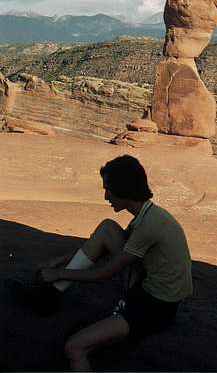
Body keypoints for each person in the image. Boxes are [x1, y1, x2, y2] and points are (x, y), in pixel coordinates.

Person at [6, 154, 192, 372]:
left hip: (154, 307)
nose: (105, 196)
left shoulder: (149, 226)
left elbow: (106, 272)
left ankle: (53, 290)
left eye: (108, 189)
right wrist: (60, 260)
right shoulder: (148, 214)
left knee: (75, 347)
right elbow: (106, 248)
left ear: (123, 189)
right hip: (146, 285)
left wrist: (59, 273)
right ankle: (50, 296)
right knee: (107, 228)